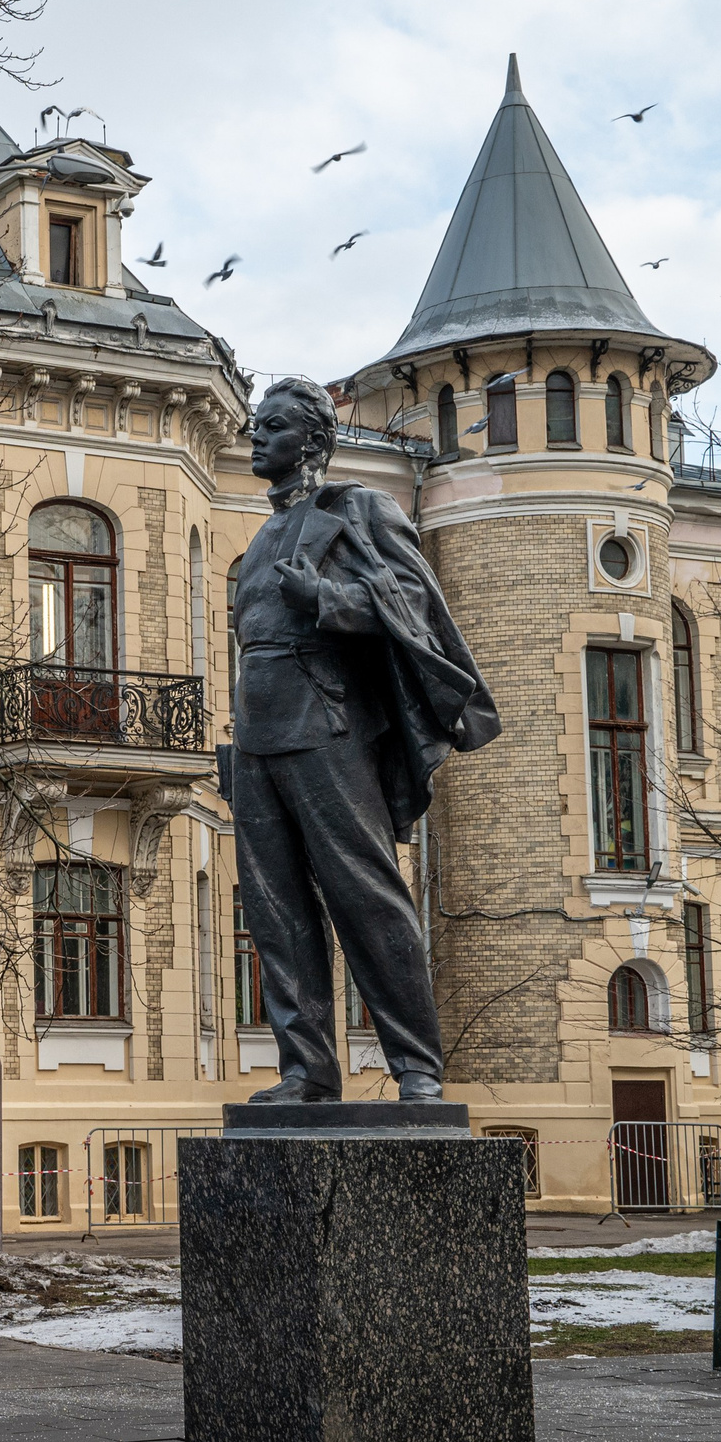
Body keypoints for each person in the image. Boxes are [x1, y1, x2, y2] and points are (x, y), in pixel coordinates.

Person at [230, 377, 499, 1102]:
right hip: (255, 735)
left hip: (327, 725)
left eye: (274, 425)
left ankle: (417, 1067)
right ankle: (306, 1070)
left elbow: (415, 607)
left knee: (366, 897)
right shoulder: (260, 538)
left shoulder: (359, 509)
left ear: (314, 442)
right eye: (257, 424)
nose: (257, 435)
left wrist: (327, 599)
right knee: (276, 911)